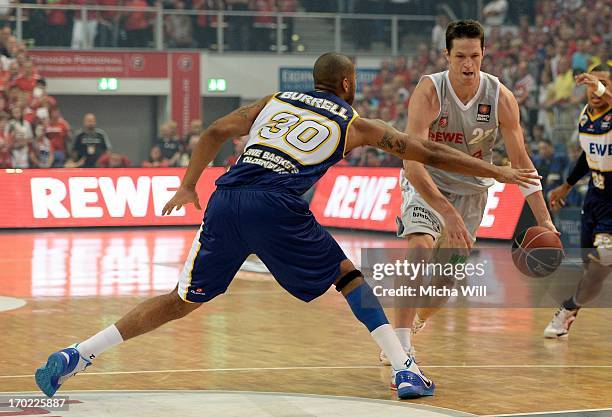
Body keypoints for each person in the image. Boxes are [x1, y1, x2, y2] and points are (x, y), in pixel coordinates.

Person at [35, 52, 539, 401]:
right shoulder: (353, 120)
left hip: (226, 198)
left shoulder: (273, 102)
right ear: (346, 84)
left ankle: (78, 353)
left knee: (181, 299)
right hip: (276, 203)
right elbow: (427, 151)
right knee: (348, 278)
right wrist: (495, 171)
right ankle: (405, 368)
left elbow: (212, 132)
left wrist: (188, 185)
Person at [381, 20, 557, 366]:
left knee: (445, 280)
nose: (467, 64)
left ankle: (415, 322)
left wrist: (546, 221)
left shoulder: (500, 97)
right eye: (459, 55)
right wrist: (445, 212)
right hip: (428, 183)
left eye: (474, 56)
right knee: (419, 248)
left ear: (484, 54)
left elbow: (522, 165)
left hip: (472, 193)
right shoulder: (430, 91)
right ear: (446, 55)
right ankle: (399, 346)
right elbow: (411, 163)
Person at [544, 64, 611, 338]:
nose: (595, 88)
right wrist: (567, 185)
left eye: (603, 82)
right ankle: (573, 309)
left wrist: (599, 85)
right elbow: (587, 156)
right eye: (591, 83)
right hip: (595, 196)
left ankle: (567, 309)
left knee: (599, 264)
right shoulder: (586, 116)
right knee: (591, 267)